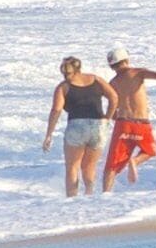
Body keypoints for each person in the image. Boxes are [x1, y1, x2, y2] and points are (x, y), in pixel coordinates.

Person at [100, 50, 156, 187]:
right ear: (126, 60)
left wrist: (111, 119)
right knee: (151, 151)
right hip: (141, 123)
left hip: (123, 124)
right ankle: (135, 161)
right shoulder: (137, 73)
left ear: (111, 66)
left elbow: (112, 106)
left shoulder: (113, 83)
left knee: (111, 166)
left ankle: (105, 195)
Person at [43, 57, 114, 197]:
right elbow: (114, 97)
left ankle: (72, 200)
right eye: (64, 74)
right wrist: (107, 118)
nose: (66, 77)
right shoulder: (96, 80)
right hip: (98, 126)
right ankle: (89, 195)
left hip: (76, 126)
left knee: (72, 166)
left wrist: (49, 134)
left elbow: (56, 110)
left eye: (67, 73)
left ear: (75, 70)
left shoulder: (63, 87)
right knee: (89, 166)